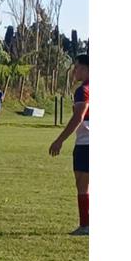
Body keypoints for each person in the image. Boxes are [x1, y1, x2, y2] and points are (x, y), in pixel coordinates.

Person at [49, 54, 89, 235]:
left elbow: (78, 117)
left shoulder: (84, 90)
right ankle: (85, 225)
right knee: (83, 183)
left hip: (86, 142)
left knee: (82, 183)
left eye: (77, 67)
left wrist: (59, 140)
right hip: (85, 141)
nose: (75, 71)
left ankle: (86, 226)